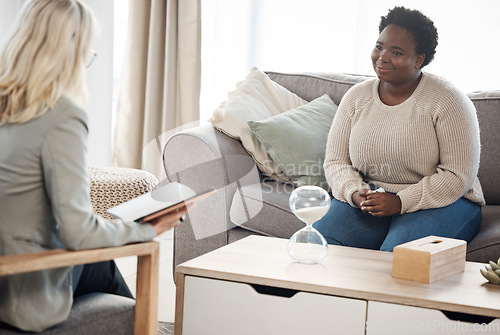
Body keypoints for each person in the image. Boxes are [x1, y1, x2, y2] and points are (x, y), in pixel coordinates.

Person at [0, 0, 187, 332]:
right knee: (105, 255)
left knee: (103, 262)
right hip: (21, 288)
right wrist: (148, 228)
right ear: (68, 52)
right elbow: (79, 232)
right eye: (87, 52)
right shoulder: (61, 116)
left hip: (9, 262)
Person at [313, 6, 485, 252]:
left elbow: (458, 176)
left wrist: (401, 201)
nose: (382, 57)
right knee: (318, 246)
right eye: (379, 47)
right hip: (373, 199)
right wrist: (355, 192)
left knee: (398, 258)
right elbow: (336, 162)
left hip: (446, 202)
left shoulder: (448, 100)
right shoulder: (356, 97)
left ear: (419, 59)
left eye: (396, 52)